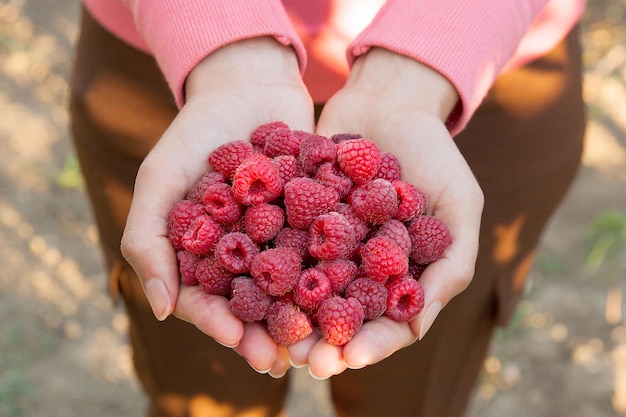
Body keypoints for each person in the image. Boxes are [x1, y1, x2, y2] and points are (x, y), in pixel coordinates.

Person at [69, 0, 587, 416]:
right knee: (196, 391)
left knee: (415, 398)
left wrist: (421, 63)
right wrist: (223, 38)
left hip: (482, 61)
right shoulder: (256, 205)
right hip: (171, 49)